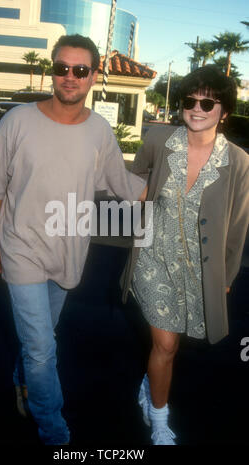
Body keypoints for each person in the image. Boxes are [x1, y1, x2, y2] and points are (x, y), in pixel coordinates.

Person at [0, 34, 147, 445]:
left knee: (41, 340)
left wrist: (184, 190)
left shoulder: (101, 131)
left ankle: (23, 384)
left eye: (80, 70)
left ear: (92, 77)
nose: (69, 77)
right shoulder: (17, 120)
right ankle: (55, 433)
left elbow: (125, 185)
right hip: (21, 249)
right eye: (61, 68)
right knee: (41, 349)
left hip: (69, 251)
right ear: (53, 71)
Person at [121, 65, 249, 445]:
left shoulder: (239, 161)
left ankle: (151, 380)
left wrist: (225, 278)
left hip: (199, 266)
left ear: (223, 111)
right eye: (190, 101)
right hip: (153, 257)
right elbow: (137, 176)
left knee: (172, 347)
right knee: (166, 344)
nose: (197, 108)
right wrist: (137, 195)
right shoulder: (159, 139)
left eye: (207, 103)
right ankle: (159, 419)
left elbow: (238, 225)